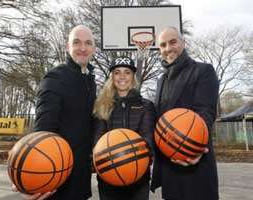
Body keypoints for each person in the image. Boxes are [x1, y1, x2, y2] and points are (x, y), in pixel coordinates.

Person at [16, 25, 97, 200]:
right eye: (77, 42)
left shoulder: (90, 80)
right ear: (67, 47)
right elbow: (43, 126)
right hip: (56, 180)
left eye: (88, 43)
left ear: (94, 49)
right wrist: (35, 174)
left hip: (80, 178)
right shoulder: (55, 78)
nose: (83, 48)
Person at [150, 27, 219, 200]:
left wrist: (192, 148)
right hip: (169, 167)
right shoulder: (161, 80)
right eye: (163, 45)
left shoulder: (203, 71)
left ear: (183, 43)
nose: (168, 48)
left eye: (173, 42)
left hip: (195, 164)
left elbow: (206, 111)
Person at [93, 56, 157, 200]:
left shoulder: (146, 106)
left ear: (133, 76)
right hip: (108, 175)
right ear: (112, 77)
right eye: (117, 72)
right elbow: (98, 140)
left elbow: (148, 139)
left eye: (127, 72)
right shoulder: (102, 105)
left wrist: (129, 160)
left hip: (138, 175)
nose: (122, 76)